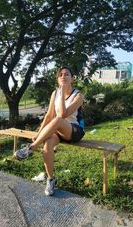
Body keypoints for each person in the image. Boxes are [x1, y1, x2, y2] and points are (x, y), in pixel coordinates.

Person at [14, 67, 85, 196]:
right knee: (47, 145)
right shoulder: (55, 93)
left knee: (58, 119)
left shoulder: (78, 95)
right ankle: (51, 179)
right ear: (58, 79)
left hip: (74, 130)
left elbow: (63, 114)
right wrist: (38, 134)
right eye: (60, 75)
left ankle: (31, 148)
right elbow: (48, 115)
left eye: (67, 75)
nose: (63, 77)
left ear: (72, 78)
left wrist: (63, 91)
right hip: (58, 130)